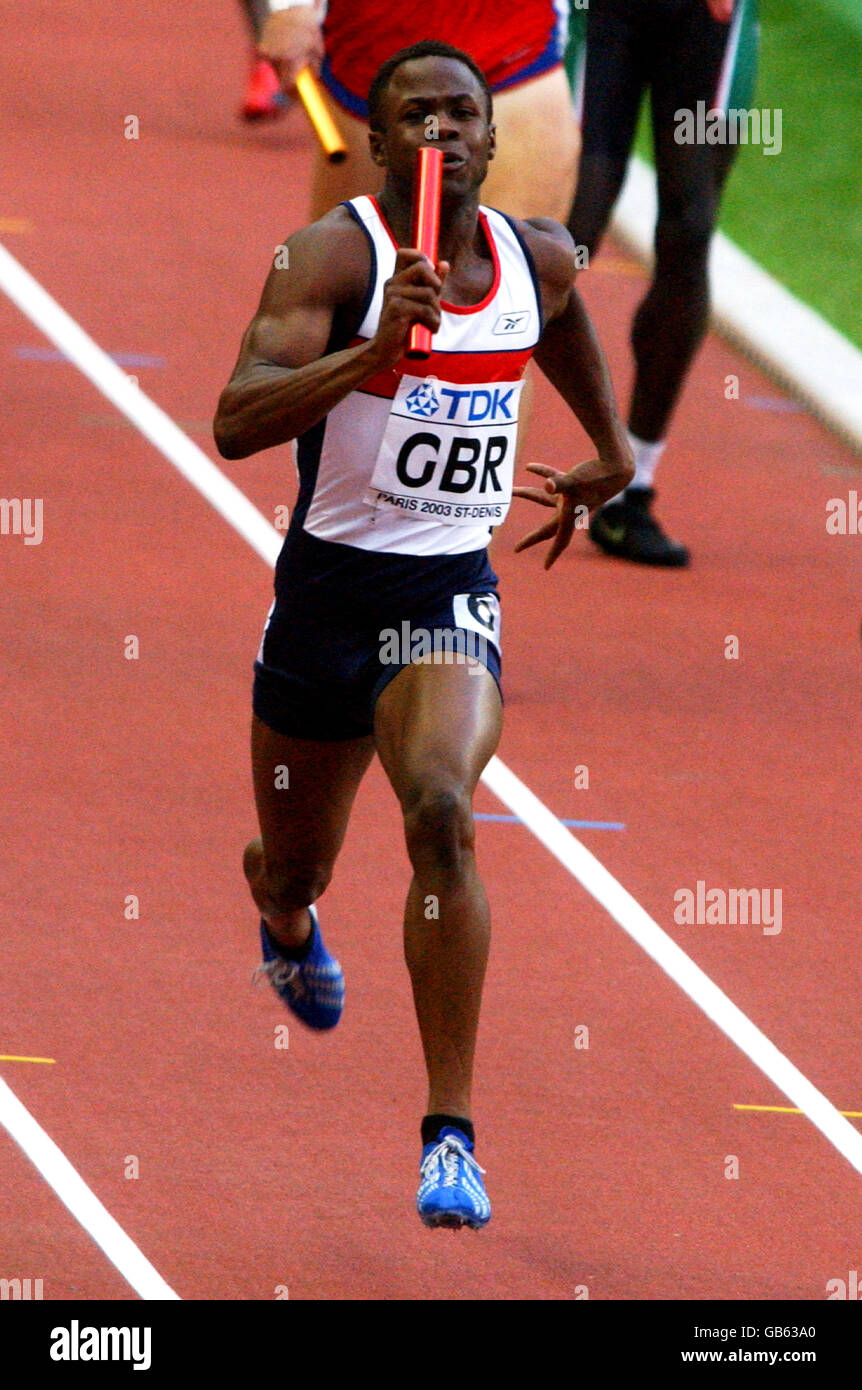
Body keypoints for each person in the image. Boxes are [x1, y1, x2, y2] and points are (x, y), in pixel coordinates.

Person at [213, 40, 633, 1229]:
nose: (442, 132)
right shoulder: (330, 255)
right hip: (322, 600)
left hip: (441, 595)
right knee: (295, 861)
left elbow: (555, 314)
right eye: (416, 116)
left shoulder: (529, 254)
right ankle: (284, 915)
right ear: (380, 140)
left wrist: (605, 448)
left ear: (491, 143)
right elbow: (233, 421)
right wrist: (367, 357)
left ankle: (449, 1134)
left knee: (442, 808)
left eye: (463, 114)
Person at [564, 0, 759, 566]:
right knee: (572, 231)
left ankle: (632, 487)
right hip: (601, 14)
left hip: (708, 19)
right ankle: (448, 431)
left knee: (690, 228)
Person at [255, 0, 579, 221]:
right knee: (346, 293)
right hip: (368, 56)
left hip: (510, 45)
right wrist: (288, 7)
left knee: (517, 280)